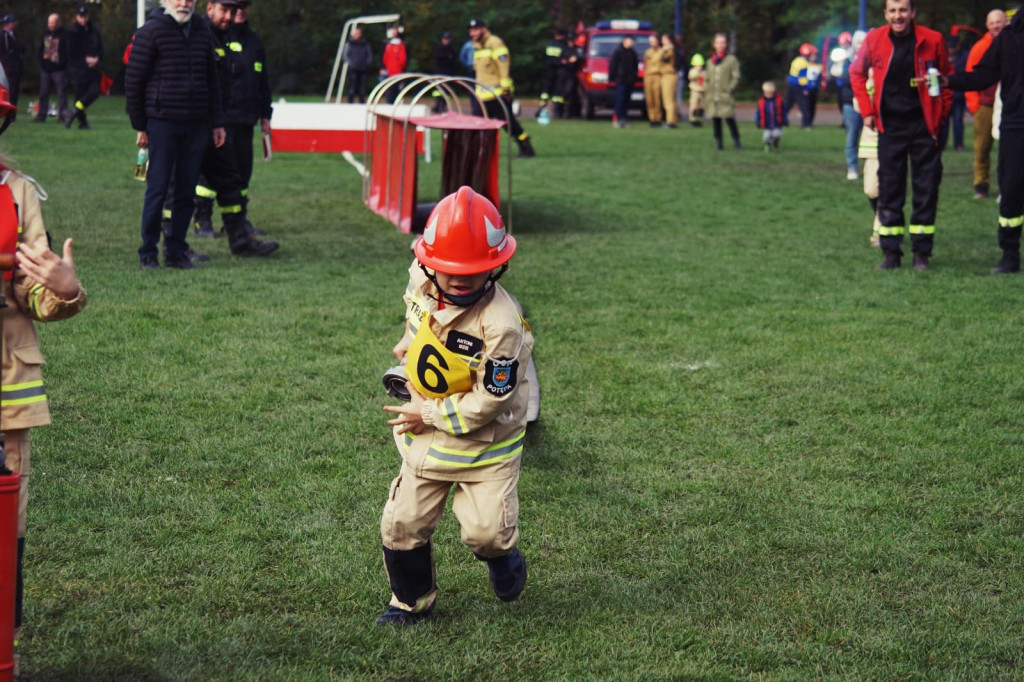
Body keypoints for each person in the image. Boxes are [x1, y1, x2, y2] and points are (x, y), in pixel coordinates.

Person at [377, 186, 535, 626]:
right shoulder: (420, 277)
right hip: (427, 442)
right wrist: (409, 341)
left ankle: (502, 557)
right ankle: (411, 602)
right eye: (448, 268)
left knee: (486, 533)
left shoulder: (501, 326)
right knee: (402, 524)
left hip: (485, 446)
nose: (459, 278)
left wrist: (424, 413)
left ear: (496, 266)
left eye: (474, 269)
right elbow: (415, 311)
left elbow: (489, 399)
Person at [0, 62, 87, 676]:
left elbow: (35, 291)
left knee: (8, 511)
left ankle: (4, 633)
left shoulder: (17, 192)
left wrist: (62, 287)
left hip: (6, 386)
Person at [850, 0, 952, 271]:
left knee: (926, 189)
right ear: (885, 14)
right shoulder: (874, 39)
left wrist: (941, 113)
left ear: (912, 13)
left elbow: (947, 79)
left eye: (903, 10)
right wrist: (868, 111)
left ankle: (921, 252)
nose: (898, 16)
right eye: (893, 11)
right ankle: (891, 253)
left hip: (924, 127)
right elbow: (856, 73)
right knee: (890, 189)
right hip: (890, 128)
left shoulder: (933, 39)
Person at [126, 0, 227, 269]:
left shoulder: (203, 30)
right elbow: (134, 80)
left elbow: (212, 80)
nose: (183, 3)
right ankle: (148, 251)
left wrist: (217, 122)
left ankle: (176, 251)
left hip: (196, 124)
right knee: (157, 190)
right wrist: (140, 125)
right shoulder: (150, 31)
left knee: (186, 191)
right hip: (161, 123)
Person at [944, 8, 1024, 274]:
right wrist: (950, 81)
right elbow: (984, 75)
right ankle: (1009, 256)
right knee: (1011, 191)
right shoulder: (1010, 36)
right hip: (1016, 124)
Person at [468, 17, 535, 157]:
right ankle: (479, 152)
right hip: (482, 95)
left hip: (497, 94)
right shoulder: (477, 46)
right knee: (477, 123)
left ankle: (525, 145)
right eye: (471, 30)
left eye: (475, 30)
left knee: (508, 124)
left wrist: (506, 89)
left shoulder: (495, 43)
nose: (472, 34)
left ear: (483, 29)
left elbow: (504, 67)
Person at [964, 10, 1007, 199]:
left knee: (1008, 148)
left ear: (1006, 23)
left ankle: (1006, 187)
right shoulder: (980, 47)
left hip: (1008, 104)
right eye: (992, 23)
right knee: (982, 147)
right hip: (985, 105)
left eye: (999, 22)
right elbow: (970, 77)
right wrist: (974, 105)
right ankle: (981, 185)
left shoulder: (1013, 44)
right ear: (987, 25)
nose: (996, 25)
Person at [64, 5, 103, 130]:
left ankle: (73, 111)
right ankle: (82, 122)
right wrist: (85, 59)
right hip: (78, 70)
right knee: (79, 96)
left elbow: (100, 48)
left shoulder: (94, 32)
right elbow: (71, 52)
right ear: (77, 17)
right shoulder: (72, 32)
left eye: (85, 16)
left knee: (94, 92)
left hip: (92, 69)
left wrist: (96, 58)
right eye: (81, 16)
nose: (83, 19)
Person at [705, 32, 741, 150]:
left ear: (726, 44)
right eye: (718, 42)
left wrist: (730, 87)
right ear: (714, 44)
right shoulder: (710, 61)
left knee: (730, 118)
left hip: (725, 95)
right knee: (716, 120)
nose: (721, 45)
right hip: (713, 96)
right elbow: (707, 78)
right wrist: (706, 89)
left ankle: (737, 141)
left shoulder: (731, 60)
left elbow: (736, 76)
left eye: (723, 42)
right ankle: (719, 143)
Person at [835, 31, 863, 179]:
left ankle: (870, 167)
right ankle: (852, 167)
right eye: (859, 42)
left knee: (870, 137)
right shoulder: (848, 61)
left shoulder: (872, 60)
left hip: (868, 104)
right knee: (852, 135)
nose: (861, 45)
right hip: (851, 103)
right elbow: (846, 80)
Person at [35, 13, 69, 123]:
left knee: (61, 94)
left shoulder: (64, 35)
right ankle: (41, 115)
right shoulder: (45, 34)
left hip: (59, 70)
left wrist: (61, 62)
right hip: (46, 69)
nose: (51, 25)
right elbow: (40, 50)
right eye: (49, 22)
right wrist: (43, 63)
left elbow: (68, 52)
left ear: (59, 23)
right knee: (43, 93)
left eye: (53, 23)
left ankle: (62, 116)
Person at [939, 35, 967, 151]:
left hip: (959, 95)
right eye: (949, 47)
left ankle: (958, 144)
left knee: (957, 122)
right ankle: (942, 144)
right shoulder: (943, 56)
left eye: (953, 47)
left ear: (958, 46)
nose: (951, 49)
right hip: (946, 94)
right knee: (944, 122)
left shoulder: (965, 57)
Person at [785, 42, 821, 129]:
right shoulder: (803, 63)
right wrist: (806, 88)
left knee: (788, 104)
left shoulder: (798, 60)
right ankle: (806, 124)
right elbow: (802, 78)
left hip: (792, 84)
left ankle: (780, 119)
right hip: (798, 86)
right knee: (804, 105)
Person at [608, 35, 638, 128]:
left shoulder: (632, 53)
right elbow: (613, 66)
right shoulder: (618, 52)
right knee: (620, 100)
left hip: (630, 80)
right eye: (631, 41)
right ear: (625, 41)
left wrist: (634, 77)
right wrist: (613, 77)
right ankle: (616, 119)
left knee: (626, 101)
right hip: (621, 80)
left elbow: (635, 67)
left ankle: (623, 119)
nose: (632, 43)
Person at [539, 28, 570, 118]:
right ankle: (557, 111)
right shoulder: (563, 45)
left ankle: (542, 107)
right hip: (559, 71)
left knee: (546, 90)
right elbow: (565, 59)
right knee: (558, 91)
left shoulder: (549, 44)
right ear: (562, 36)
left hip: (549, 70)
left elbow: (546, 57)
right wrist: (563, 61)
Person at [0, 15, 25, 118]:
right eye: (12, 22)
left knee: (14, 90)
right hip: (9, 67)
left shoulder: (13, 35)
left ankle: (12, 113)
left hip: (15, 67)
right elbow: (8, 50)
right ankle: (9, 113)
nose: (14, 24)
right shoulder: (5, 36)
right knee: (11, 90)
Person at [342, 26, 373, 104]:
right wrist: (351, 64)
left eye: (358, 33)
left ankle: (362, 102)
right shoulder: (349, 43)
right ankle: (350, 102)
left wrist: (367, 63)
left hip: (363, 68)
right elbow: (346, 55)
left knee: (362, 88)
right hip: (353, 68)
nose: (357, 35)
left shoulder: (365, 43)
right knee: (352, 87)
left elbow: (369, 55)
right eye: (355, 33)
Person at [755, 80, 786, 151]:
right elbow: (758, 113)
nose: (769, 94)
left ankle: (776, 145)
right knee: (767, 136)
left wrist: (785, 120)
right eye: (767, 93)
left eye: (770, 93)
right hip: (767, 124)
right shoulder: (762, 102)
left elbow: (783, 111)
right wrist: (758, 122)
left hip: (777, 123)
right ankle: (767, 146)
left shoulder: (778, 100)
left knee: (777, 135)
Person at [380, 26, 407, 104]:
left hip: (397, 70)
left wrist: (402, 68)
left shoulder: (401, 44)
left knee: (396, 87)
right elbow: (383, 57)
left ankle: (395, 102)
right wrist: (383, 67)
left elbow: (403, 59)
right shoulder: (387, 44)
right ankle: (389, 103)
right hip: (389, 70)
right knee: (390, 88)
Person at [431, 31, 457, 113]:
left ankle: (444, 106)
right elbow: (437, 58)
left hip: (448, 72)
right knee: (438, 91)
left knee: (447, 90)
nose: (446, 40)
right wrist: (446, 57)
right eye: (445, 39)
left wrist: (445, 58)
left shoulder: (451, 48)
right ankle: (438, 105)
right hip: (439, 72)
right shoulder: (439, 48)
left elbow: (453, 59)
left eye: (447, 39)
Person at [658, 34, 679, 128]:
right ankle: (672, 120)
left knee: (668, 100)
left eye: (664, 39)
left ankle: (670, 121)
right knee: (670, 100)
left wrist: (663, 51)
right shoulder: (670, 49)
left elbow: (663, 58)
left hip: (668, 75)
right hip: (667, 76)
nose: (662, 41)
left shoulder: (669, 49)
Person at [642, 33, 662, 127]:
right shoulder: (648, 52)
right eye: (650, 42)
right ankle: (651, 118)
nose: (652, 43)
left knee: (657, 98)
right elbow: (646, 63)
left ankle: (658, 118)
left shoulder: (661, 52)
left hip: (657, 76)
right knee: (649, 99)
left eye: (653, 41)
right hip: (648, 76)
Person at [687, 52, 705, 126]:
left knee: (701, 106)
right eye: (697, 65)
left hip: (702, 91)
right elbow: (691, 77)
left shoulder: (704, 72)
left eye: (700, 65)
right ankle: (692, 120)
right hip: (695, 91)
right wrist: (697, 72)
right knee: (694, 105)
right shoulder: (693, 71)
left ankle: (699, 119)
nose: (699, 66)